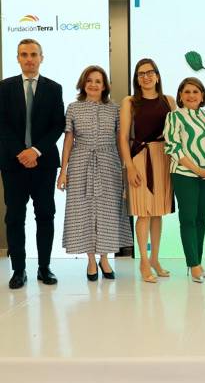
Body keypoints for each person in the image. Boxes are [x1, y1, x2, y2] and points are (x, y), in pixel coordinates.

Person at [0, 39, 65, 290]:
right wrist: (21, 152)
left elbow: (57, 125)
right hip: (13, 163)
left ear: (41, 57)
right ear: (17, 58)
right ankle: (18, 270)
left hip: (44, 162)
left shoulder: (54, 88)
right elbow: (2, 125)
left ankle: (44, 267)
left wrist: (35, 151)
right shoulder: (4, 88)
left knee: (45, 215)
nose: (29, 58)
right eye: (24, 54)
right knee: (15, 217)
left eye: (33, 54)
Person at [57, 65, 132, 281]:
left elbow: (121, 140)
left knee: (109, 211)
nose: (93, 84)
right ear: (83, 83)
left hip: (109, 162)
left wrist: (125, 169)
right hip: (81, 163)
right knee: (83, 211)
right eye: (89, 80)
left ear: (104, 85)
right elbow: (68, 140)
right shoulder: (73, 107)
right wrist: (64, 171)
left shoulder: (115, 109)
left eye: (98, 81)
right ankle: (91, 260)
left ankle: (105, 258)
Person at [119, 58, 176, 283]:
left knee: (158, 212)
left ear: (157, 76)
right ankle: (143, 261)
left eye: (150, 72)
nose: (146, 76)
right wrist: (130, 166)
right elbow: (123, 137)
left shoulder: (169, 101)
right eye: (141, 73)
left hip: (163, 157)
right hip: (140, 158)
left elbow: (178, 132)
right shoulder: (130, 102)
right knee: (143, 212)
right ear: (137, 79)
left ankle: (155, 259)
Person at [164, 77, 205, 283]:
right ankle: (194, 264)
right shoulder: (174, 117)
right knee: (188, 218)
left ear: (203, 96)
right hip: (184, 173)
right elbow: (173, 147)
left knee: (201, 219)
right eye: (187, 92)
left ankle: (196, 261)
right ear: (180, 95)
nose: (191, 95)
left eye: (195, 92)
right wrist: (198, 169)